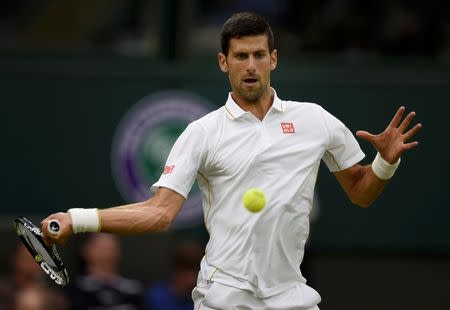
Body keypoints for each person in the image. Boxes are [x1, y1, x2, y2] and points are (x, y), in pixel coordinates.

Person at [41, 12, 422, 310]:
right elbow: (159, 213)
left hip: (291, 294)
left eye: (259, 55)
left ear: (274, 59)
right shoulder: (202, 133)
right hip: (225, 296)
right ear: (224, 62)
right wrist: (80, 218)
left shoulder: (315, 120)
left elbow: (360, 193)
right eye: (241, 56)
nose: (251, 65)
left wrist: (384, 164)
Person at [68, 233, 144, 309]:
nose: (107, 253)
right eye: (100, 248)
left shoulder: (134, 288)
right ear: (85, 250)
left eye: (111, 248)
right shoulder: (74, 290)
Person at [145, 240, 203, 310]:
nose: (191, 279)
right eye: (185, 273)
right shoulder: (155, 295)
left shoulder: (203, 298)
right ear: (176, 271)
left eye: (195, 272)